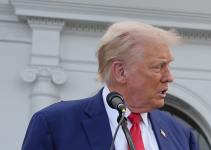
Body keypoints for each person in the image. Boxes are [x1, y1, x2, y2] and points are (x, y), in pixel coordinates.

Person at [22, 21, 199, 150]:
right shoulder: (55, 124)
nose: (169, 77)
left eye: (168, 66)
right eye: (158, 67)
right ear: (120, 71)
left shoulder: (181, 134)